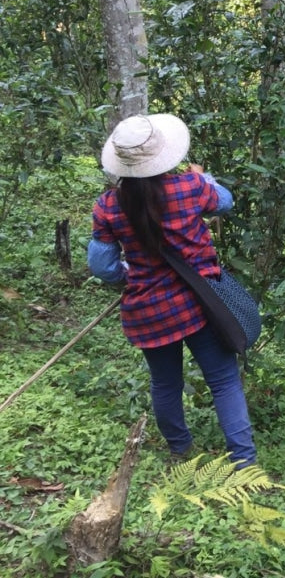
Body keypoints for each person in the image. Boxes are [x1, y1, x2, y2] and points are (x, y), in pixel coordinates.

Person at [87, 114, 256, 467]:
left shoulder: (107, 206)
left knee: (165, 384)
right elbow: (224, 202)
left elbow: (102, 268)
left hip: (149, 311)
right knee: (224, 382)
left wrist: (128, 273)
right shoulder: (189, 186)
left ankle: (180, 451)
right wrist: (202, 176)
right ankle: (244, 463)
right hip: (201, 304)